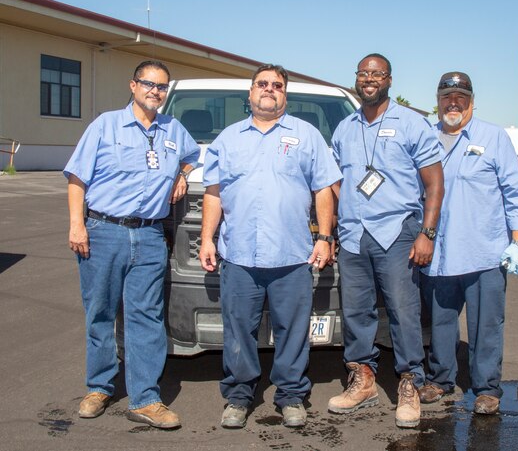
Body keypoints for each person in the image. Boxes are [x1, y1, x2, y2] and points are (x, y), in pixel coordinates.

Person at [199, 64, 341, 429]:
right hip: (239, 255)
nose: (269, 89)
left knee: (293, 330)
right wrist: (206, 238)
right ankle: (238, 396)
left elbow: (323, 189)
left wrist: (324, 237)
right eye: (262, 84)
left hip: (292, 255)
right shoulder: (227, 139)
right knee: (238, 329)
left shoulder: (307, 136)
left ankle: (291, 395)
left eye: (277, 85)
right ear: (250, 94)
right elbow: (213, 192)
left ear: (285, 95)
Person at [64, 60, 200, 429]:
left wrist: (183, 175)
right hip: (103, 232)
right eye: (148, 84)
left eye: (161, 87)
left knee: (146, 317)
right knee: (101, 313)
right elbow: (77, 177)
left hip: (151, 235)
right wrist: (78, 226)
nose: (155, 91)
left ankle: (145, 398)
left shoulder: (174, 129)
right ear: (133, 85)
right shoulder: (105, 125)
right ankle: (99, 387)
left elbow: (193, 156)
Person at [328, 53, 444, 428]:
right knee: (356, 311)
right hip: (353, 234)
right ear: (356, 80)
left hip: (396, 232)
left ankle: (410, 382)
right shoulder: (344, 127)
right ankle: (363, 379)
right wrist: (329, 231)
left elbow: (434, 184)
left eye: (377, 73)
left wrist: (426, 234)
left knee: (402, 310)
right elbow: (334, 184)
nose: (369, 79)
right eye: (363, 73)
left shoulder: (412, 123)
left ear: (389, 80)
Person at [419, 72, 518, 415]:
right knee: (440, 322)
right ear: (438, 101)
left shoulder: (493, 137)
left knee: (486, 325)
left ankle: (486, 388)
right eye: (447, 97)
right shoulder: (426, 137)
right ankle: (440, 379)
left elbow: (514, 190)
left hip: (484, 251)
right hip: (439, 253)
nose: (453, 103)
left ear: (471, 101)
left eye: (460, 98)